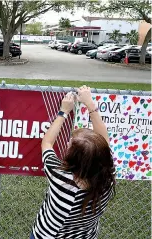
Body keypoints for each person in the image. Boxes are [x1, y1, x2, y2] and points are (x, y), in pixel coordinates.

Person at [30, 85, 115, 239]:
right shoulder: (106, 178)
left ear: (74, 158)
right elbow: (104, 143)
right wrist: (90, 105)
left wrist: (63, 112)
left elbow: (47, 143)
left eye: (70, 144)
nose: (68, 142)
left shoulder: (61, 179)